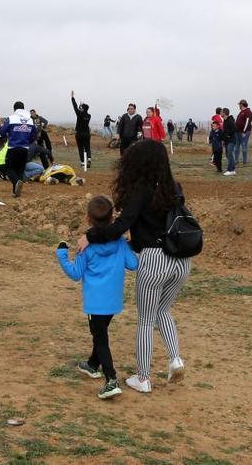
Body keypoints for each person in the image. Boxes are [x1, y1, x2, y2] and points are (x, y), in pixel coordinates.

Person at [76, 141, 190, 394]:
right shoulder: (174, 187)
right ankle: (175, 360)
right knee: (163, 309)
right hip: (181, 260)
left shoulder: (141, 190)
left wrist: (91, 236)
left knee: (146, 320)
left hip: (154, 259)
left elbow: (120, 226)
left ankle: (143, 377)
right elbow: (159, 223)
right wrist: (136, 239)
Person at [57, 195, 138, 399]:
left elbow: (76, 274)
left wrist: (62, 256)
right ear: (112, 219)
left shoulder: (86, 247)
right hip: (113, 302)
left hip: (95, 303)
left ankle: (111, 379)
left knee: (100, 337)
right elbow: (133, 264)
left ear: (87, 218)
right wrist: (127, 244)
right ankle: (93, 364)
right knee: (100, 333)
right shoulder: (119, 242)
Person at [0, 101, 38, 197]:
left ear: (14, 109)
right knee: (20, 170)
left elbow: (2, 132)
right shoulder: (30, 120)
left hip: (13, 148)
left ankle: (16, 182)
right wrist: (28, 141)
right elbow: (35, 134)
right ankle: (16, 193)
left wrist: (8, 135)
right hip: (25, 149)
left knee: (9, 168)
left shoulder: (11, 118)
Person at [71, 91, 92, 167]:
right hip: (87, 134)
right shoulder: (89, 115)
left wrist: (72, 97)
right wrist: (82, 105)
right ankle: (89, 159)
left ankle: (83, 163)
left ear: (82, 109)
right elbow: (82, 109)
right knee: (87, 147)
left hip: (79, 134)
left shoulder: (79, 114)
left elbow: (75, 106)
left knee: (80, 148)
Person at [235, 99, 252, 164]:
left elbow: (247, 122)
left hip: (244, 132)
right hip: (237, 132)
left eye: (239, 105)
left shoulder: (248, 112)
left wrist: (244, 131)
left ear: (242, 105)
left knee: (244, 146)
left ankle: (244, 161)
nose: (239, 106)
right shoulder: (241, 112)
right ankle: (236, 160)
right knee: (236, 146)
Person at [222, 108, 238, 176]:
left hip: (231, 141)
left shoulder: (230, 120)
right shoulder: (224, 121)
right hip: (227, 141)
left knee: (229, 154)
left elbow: (234, 128)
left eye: (221, 112)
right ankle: (233, 170)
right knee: (228, 155)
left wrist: (229, 135)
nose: (220, 113)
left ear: (224, 113)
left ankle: (230, 170)